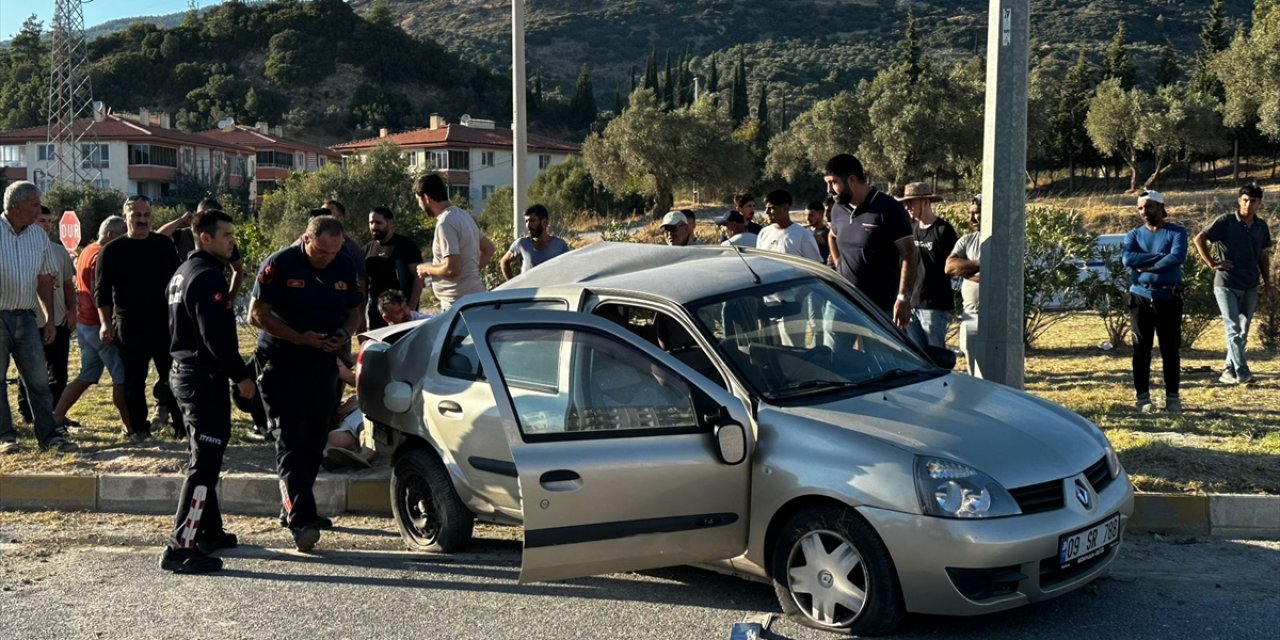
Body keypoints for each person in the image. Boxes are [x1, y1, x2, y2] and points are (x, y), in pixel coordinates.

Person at [250, 215, 362, 551]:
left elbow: (355, 310)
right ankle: (301, 519)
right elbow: (256, 314)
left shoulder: (343, 264)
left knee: (315, 439)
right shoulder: (280, 264)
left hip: (323, 360)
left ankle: (297, 507)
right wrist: (299, 338)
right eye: (322, 252)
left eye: (334, 252)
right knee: (291, 438)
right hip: (281, 361)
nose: (328, 258)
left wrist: (344, 333)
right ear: (307, 239)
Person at [159, 210, 255, 574]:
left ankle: (208, 531)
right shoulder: (205, 277)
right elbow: (216, 338)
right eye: (226, 235)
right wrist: (241, 376)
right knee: (205, 462)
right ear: (204, 238)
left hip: (187, 374)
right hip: (201, 378)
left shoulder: (184, 272)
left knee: (207, 454)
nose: (232, 241)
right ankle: (181, 546)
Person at [95, 195, 183, 442]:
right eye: (137, 215)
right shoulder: (112, 251)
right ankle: (139, 428)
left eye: (146, 215)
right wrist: (104, 323)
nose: (142, 220)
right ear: (126, 217)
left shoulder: (163, 245)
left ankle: (181, 427)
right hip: (129, 324)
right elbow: (101, 292)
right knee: (134, 379)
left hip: (164, 323)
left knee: (174, 375)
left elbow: (178, 282)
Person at [0, 181, 77, 453]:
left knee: (38, 381)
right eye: (34, 204)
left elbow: (44, 278)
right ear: (15, 206)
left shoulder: (38, 236)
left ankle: (49, 435)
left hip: (26, 317)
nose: (38, 210)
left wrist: (49, 316)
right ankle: (6, 437)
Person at [52, 216, 130, 432]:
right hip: (98, 324)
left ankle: (57, 415)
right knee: (120, 376)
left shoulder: (87, 250)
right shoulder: (100, 256)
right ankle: (129, 426)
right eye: (123, 236)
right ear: (112, 236)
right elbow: (101, 291)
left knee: (87, 374)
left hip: (85, 323)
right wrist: (108, 321)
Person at [824, 154, 919, 329]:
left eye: (833, 182)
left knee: (880, 356)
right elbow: (832, 235)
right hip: (843, 300)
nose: (828, 189)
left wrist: (903, 297)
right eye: (827, 183)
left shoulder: (888, 208)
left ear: (852, 179)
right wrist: (838, 263)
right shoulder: (837, 209)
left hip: (880, 307)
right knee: (834, 353)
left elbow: (909, 253)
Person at [1192, 183, 1273, 384]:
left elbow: (1263, 255)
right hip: (1226, 283)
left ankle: (1228, 370)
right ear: (1239, 201)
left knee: (1243, 331)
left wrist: (1268, 283)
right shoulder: (1226, 221)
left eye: (1253, 201)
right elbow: (1199, 238)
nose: (1248, 204)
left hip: (1251, 283)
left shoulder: (1261, 226)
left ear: (1259, 203)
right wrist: (1212, 263)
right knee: (1233, 328)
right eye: (1245, 200)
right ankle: (1243, 372)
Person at [1122, 190, 1187, 413]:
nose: (1144, 212)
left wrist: (1145, 264)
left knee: (1170, 349)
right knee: (1141, 349)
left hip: (1168, 297)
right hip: (1140, 296)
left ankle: (1173, 397)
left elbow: (1176, 257)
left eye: (1148, 207)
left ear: (1160, 207)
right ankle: (1142, 398)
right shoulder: (1133, 235)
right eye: (1140, 208)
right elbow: (1127, 259)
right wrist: (1160, 257)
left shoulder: (1177, 232)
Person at [16, 207, 77, 428]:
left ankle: (55, 412)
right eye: (42, 220)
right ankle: (28, 412)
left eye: (49, 221)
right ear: (31, 222)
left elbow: (69, 284)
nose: (47, 225)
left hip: (58, 319)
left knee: (58, 371)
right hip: (30, 320)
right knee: (30, 371)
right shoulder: (20, 250)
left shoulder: (59, 251)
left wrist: (73, 311)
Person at [413, 174, 495, 310]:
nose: (420, 207)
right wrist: (470, 272)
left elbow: (452, 268)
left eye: (418, 201)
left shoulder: (445, 223)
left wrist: (426, 269)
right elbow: (489, 249)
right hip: (473, 298)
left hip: (457, 304)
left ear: (426, 198)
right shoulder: (464, 216)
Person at [898, 182, 959, 350]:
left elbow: (954, 266)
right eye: (906, 203)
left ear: (925, 201)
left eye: (912, 202)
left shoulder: (944, 230)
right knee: (917, 355)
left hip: (934, 305)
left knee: (936, 355)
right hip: (911, 303)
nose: (907, 207)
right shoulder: (911, 230)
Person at [157, 197, 247, 302]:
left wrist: (231, 296)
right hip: (184, 289)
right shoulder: (184, 234)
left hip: (211, 290)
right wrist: (180, 220)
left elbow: (238, 269)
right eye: (202, 215)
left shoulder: (224, 243)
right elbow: (158, 238)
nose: (206, 219)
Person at [364, 206, 424, 329]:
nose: (374, 226)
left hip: (402, 314)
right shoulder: (367, 249)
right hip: (377, 314)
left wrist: (411, 309)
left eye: (378, 222)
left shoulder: (405, 245)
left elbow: (419, 277)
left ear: (390, 223)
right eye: (371, 222)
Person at [946, 195, 983, 375]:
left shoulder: (1004, 240)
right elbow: (950, 267)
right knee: (972, 371)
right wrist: (977, 264)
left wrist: (965, 270)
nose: (972, 218)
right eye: (971, 213)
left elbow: (995, 276)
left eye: (977, 213)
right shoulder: (966, 240)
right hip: (970, 316)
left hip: (996, 319)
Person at [500, 204, 570, 281]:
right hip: (528, 292)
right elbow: (504, 262)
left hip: (551, 291)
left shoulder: (560, 245)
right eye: (526, 221)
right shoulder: (521, 244)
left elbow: (569, 267)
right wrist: (511, 285)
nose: (528, 225)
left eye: (532, 220)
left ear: (544, 222)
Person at [757, 190, 823, 262]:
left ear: (785, 207)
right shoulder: (764, 233)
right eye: (766, 208)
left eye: (772, 208)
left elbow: (815, 267)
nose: (766, 212)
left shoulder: (803, 235)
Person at [806, 200, 832, 266]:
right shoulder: (806, 230)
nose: (807, 218)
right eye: (806, 215)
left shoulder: (826, 233)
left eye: (811, 215)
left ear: (821, 213)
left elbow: (819, 239)